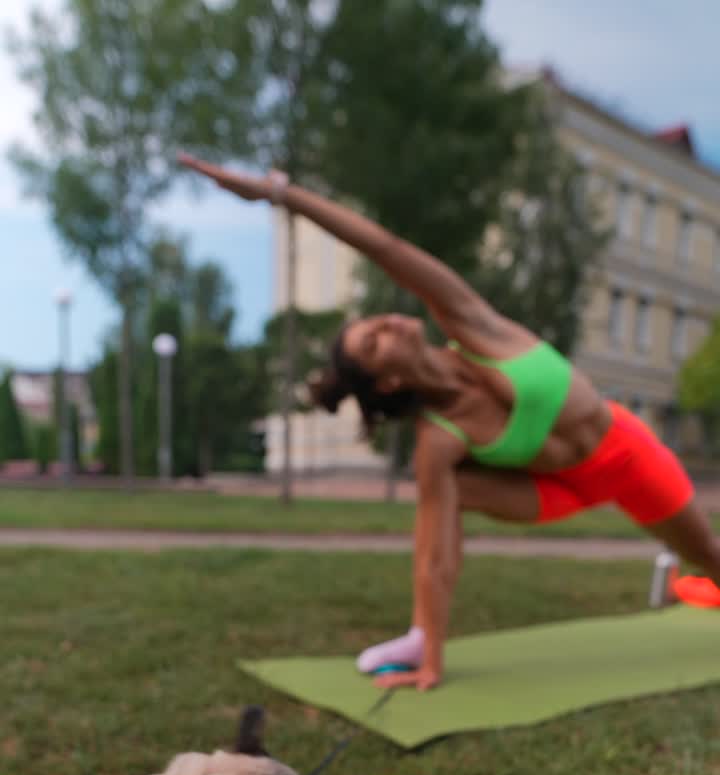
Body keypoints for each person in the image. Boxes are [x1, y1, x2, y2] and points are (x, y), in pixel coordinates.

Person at [178, 153, 720, 691]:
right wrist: (434, 660)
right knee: (444, 492)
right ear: (387, 382)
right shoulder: (438, 440)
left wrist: (281, 195)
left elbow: (385, 249)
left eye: (375, 322)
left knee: (709, 555)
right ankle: (421, 636)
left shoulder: (473, 326)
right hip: (557, 490)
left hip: (625, 454)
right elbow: (433, 554)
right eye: (375, 340)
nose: (390, 321)